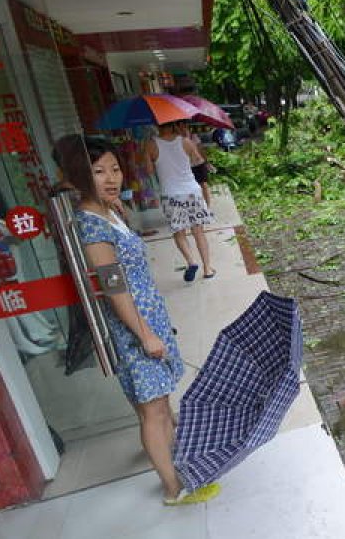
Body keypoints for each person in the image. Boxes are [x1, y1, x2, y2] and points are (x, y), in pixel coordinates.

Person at [53, 134, 220, 505]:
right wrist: (144, 335)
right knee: (152, 409)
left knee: (159, 402)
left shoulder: (110, 212)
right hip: (133, 326)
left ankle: (173, 449)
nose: (111, 178)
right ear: (79, 176)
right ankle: (173, 489)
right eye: (98, 172)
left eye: (114, 168)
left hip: (149, 315)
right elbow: (113, 287)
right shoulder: (91, 224)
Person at [146, 121, 215, 280]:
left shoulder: (151, 144)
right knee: (198, 232)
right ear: (173, 124)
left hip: (171, 194)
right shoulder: (185, 141)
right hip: (191, 191)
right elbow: (198, 160)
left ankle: (191, 262)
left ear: (157, 126)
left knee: (179, 233)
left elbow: (149, 171)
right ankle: (207, 269)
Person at [176, 121, 212, 208]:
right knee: (192, 188)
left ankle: (207, 206)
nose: (183, 127)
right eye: (180, 125)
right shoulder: (177, 139)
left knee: (203, 185)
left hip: (198, 163)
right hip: (187, 166)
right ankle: (196, 206)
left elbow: (200, 149)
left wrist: (206, 162)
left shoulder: (193, 136)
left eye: (184, 125)